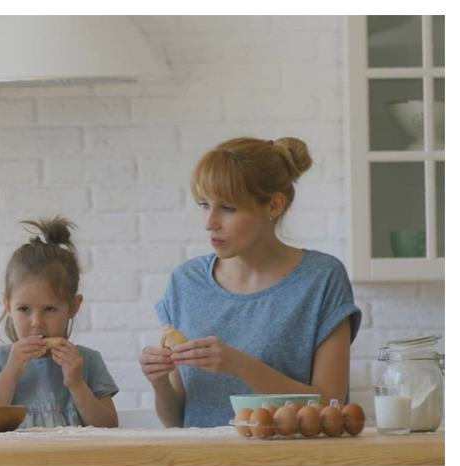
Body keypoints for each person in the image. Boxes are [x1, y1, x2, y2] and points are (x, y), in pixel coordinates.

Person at [139, 137, 362, 428]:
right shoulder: (185, 282)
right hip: (200, 457)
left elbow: (331, 406)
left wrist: (242, 366)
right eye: (204, 205)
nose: (209, 223)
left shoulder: (321, 278)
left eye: (228, 208)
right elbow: (176, 421)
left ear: (274, 205)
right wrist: (159, 384)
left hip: (291, 457)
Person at [0, 217, 119, 428]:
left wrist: (76, 384)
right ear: (8, 307)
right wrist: (10, 373)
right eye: (24, 309)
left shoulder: (87, 361)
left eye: (50, 309)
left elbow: (108, 427)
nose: (36, 322)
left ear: (73, 307)